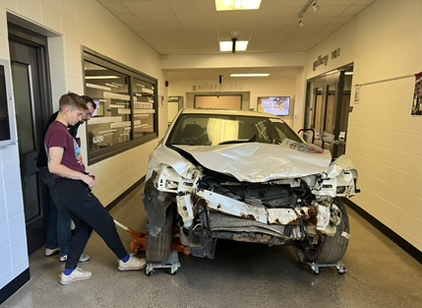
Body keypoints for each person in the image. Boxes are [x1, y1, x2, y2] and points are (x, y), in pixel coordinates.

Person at [45, 92, 145, 285]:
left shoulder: (62, 130)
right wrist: (82, 176)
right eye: (78, 115)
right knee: (105, 222)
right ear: (67, 111)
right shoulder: (57, 131)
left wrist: (84, 175)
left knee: (83, 228)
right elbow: (54, 166)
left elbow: (68, 162)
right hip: (71, 189)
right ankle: (125, 260)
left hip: (72, 188)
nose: (81, 119)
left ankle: (69, 272)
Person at [38, 96, 96, 262]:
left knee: (56, 209)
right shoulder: (59, 128)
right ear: (71, 110)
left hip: (50, 169)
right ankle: (66, 252)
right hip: (50, 171)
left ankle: (51, 245)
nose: (86, 118)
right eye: (86, 113)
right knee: (64, 210)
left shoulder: (68, 123)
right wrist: (81, 176)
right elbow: (57, 163)